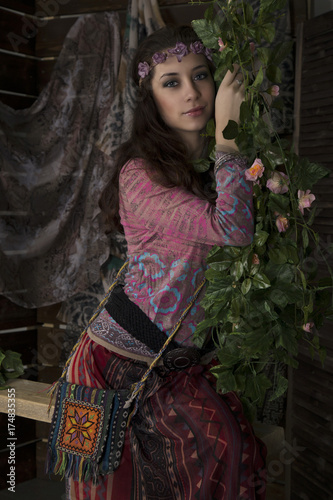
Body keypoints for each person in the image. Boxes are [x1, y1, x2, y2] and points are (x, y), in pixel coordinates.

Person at [64, 25, 266, 499]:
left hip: (181, 360)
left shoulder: (211, 170)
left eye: (201, 76)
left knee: (236, 451)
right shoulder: (140, 175)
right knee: (209, 455)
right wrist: (228, 138)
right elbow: (232, 231)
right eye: (171, 82)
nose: (192, 93)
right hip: (117, 361)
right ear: (150, 99)